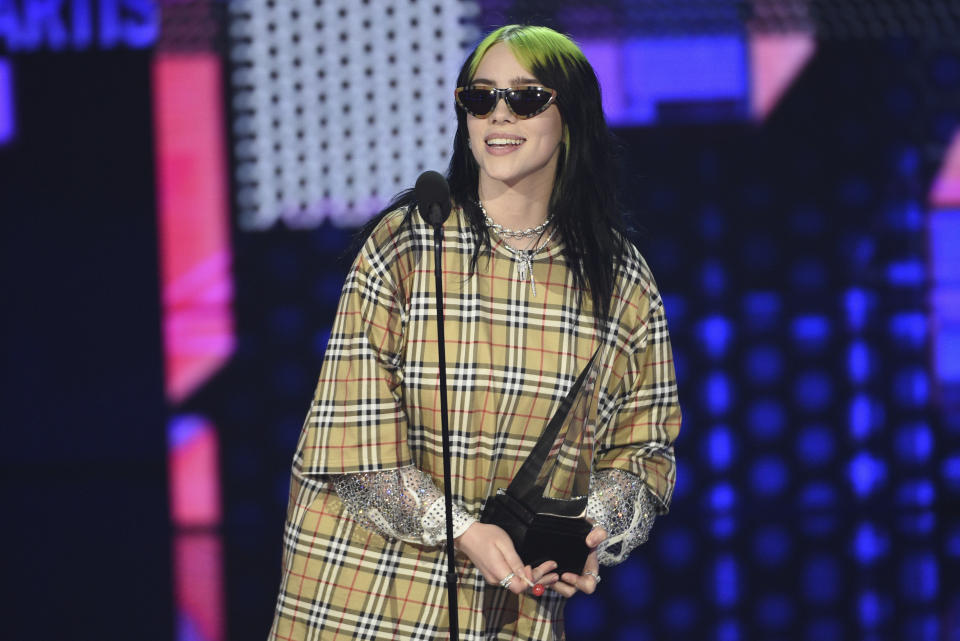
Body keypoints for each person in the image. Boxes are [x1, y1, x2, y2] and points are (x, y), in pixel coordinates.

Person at [268, 24, 681, 641]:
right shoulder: (408, 244)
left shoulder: (619, 279)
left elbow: (642, 453)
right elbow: (349, 445)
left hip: (513, 607)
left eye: (526, 97)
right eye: (480, 97)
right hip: (362, 599)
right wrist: (462, 529)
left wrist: (585, 534)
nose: (499, 114)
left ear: (573, 117)